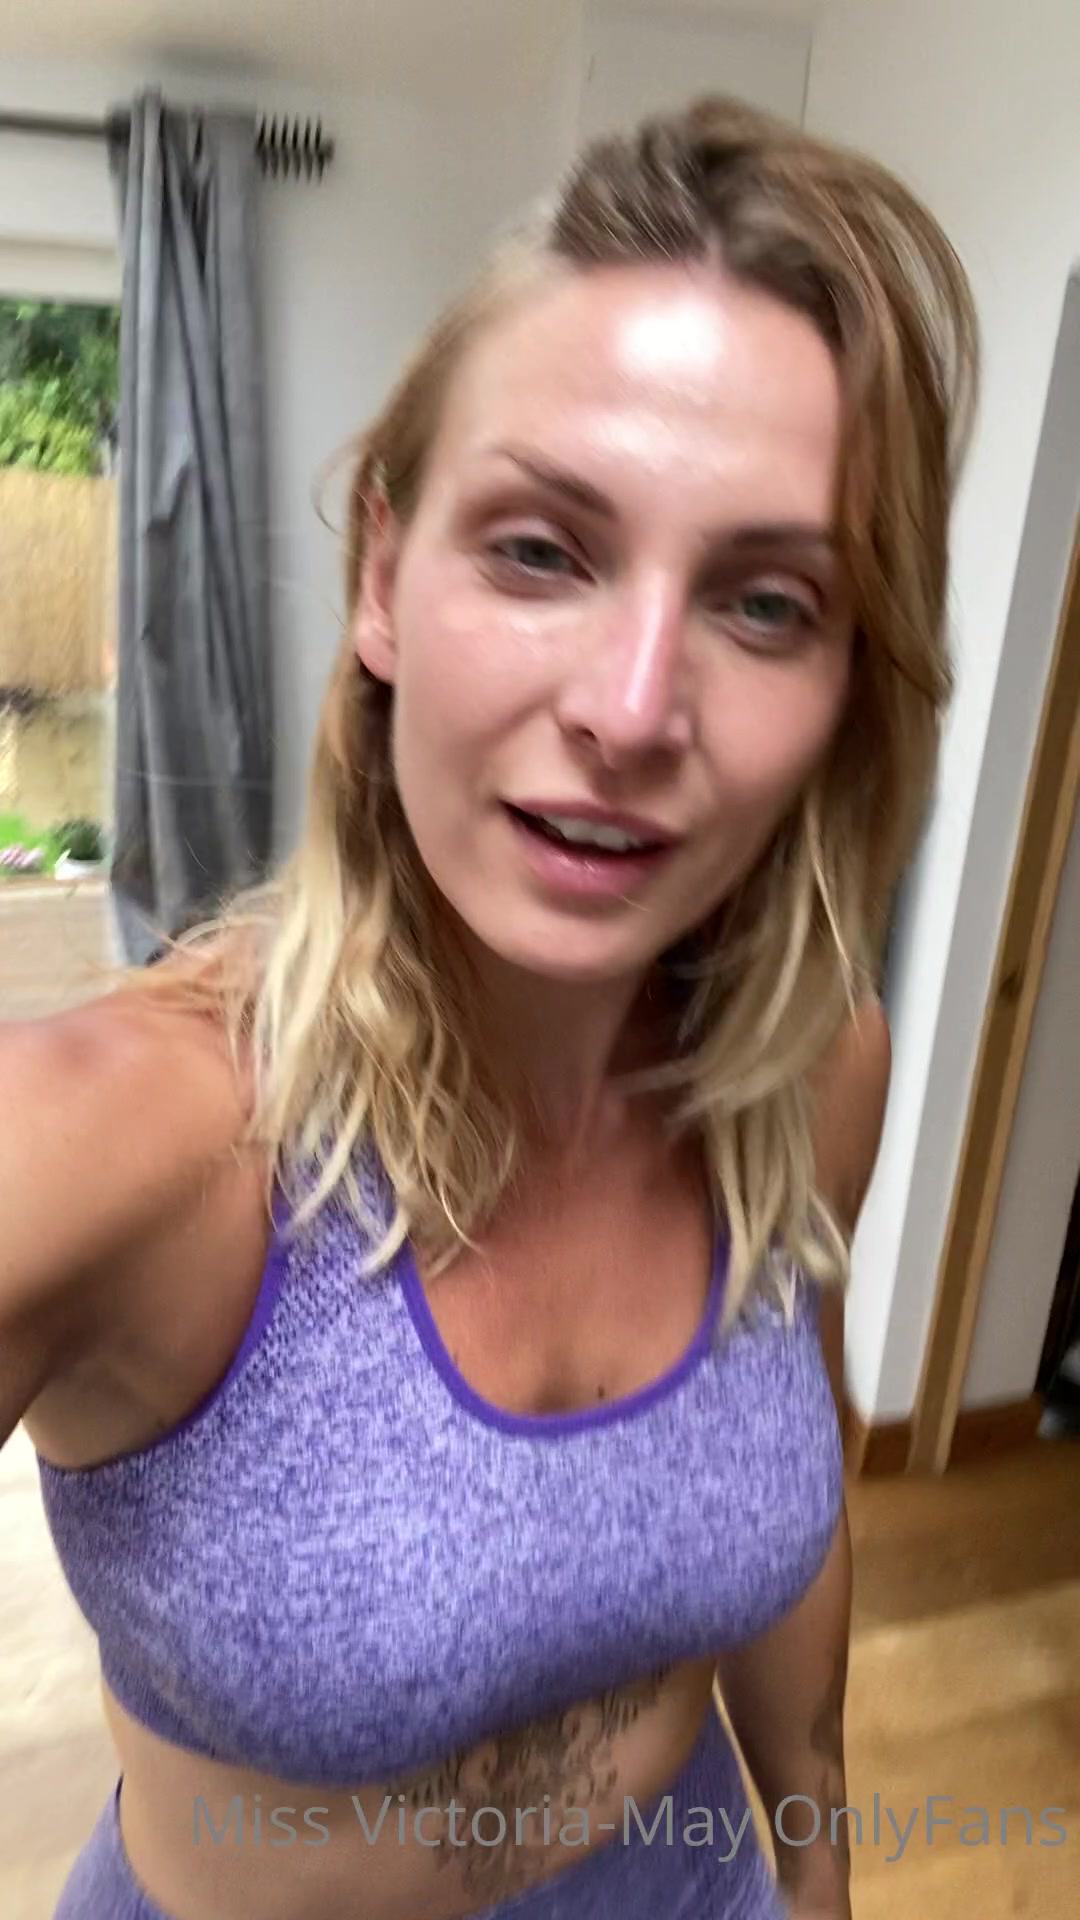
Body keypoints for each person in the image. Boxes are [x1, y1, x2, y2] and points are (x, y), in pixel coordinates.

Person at [0, 94, 976, 1920]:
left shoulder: (810, 1074)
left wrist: (819, 1865)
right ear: (384, 574)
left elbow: (791, 1520)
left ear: (851, 686)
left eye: (768, 604)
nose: (631, 706)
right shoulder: (123, 1146)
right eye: (541, 550)